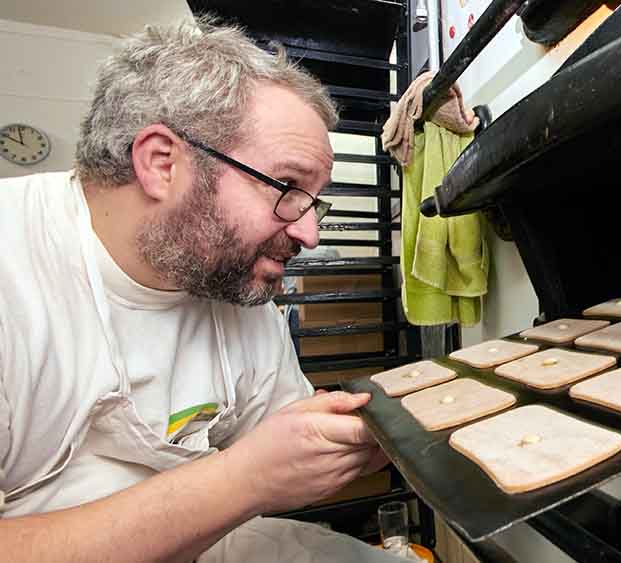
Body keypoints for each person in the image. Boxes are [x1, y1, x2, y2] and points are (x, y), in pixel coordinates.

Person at [0, 19, 406, 563]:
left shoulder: (234, 283)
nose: (310, 232)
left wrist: (383, 430)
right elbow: (255, 473)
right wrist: (242, 480)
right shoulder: (15, 266)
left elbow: (281, 442)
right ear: (162, 163)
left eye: (315, 199)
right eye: (288, 187)